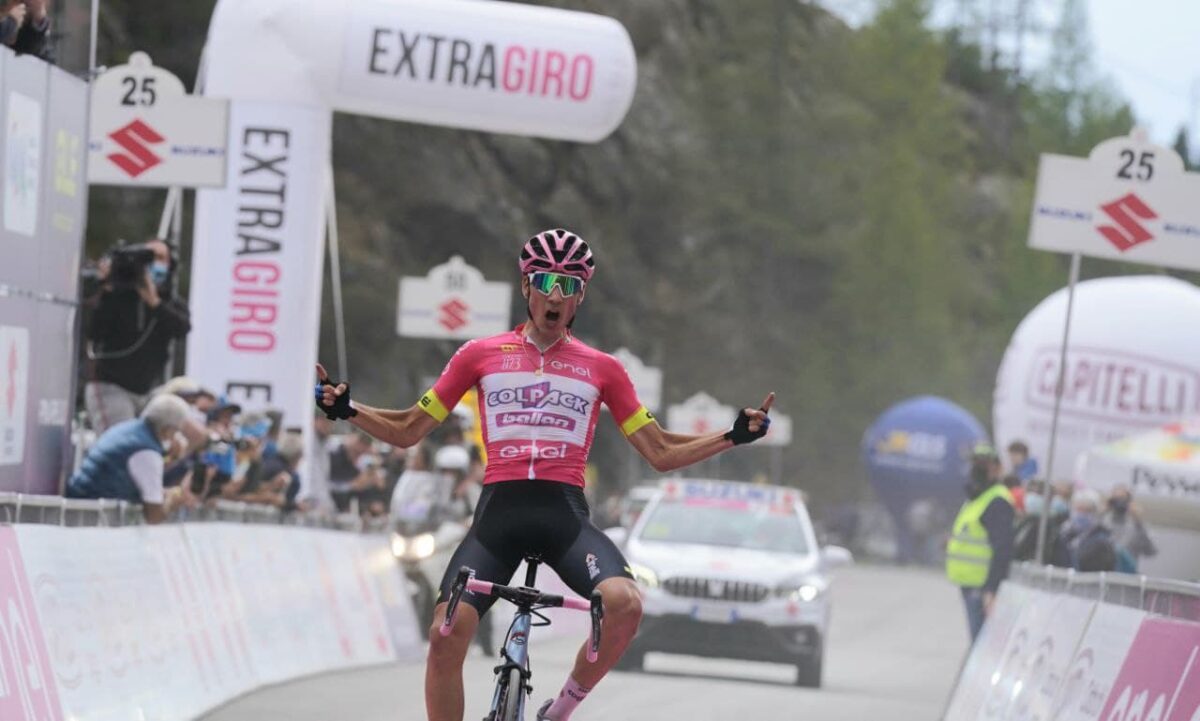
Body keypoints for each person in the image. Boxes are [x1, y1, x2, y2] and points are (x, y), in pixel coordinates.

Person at [315, 228, 773, 721]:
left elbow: (659, 451)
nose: (556, 295)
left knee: (625, 605)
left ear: (581, 296)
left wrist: (733, 436)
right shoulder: (479, 355)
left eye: (569, 285)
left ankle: (560, 710)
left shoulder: (604, 369)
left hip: (565, 519)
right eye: (546, 281)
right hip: (498, 519)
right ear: (526, 287)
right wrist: (347, 409)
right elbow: (409, 429)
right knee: (445, 634)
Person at [84, 240, 191, 434]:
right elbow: (93, 332)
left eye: (160, 258)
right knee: (121, 444)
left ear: (170, 264)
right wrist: (107, 289)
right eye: (148, 257)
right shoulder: (118, 294)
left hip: (146, 390)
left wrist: (155, 303)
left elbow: (182, 328)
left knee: (178, 435)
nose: (153, 262)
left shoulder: (170, 302)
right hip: (111, 385)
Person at [65, 393, 191, 524]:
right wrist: (174, 503)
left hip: (79, 501)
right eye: (177, 431)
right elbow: (153, 516)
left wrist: (171, 458)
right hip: (89, 517)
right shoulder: (147, 452)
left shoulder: (129, 429)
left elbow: (137, 479)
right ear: (168, 430)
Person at [945, 443, 1015, 642]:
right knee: (977, 641)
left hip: (982, 586)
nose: (976, 468)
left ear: (996, 467)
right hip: (970, 583)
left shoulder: (997, 501)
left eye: (982, 463)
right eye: (974, 462)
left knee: (982, 644)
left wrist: (991, 589)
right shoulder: (977, 497)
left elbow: (1003, 548)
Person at [1054, 488, 1117, 572]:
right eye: (1079, 509)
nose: (1081, 514)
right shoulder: (1064, 534)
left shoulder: (1101, 540)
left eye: (1087, 510)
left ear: (1095, 513)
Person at [1102, 484, 1157, 572]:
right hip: (1105, 575)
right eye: (1116, 499)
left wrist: (1138, 521)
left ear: (1129, 501)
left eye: (1123, 498)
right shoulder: (1103, 523)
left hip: (1127, 579)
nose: (1119, 502)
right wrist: (1101, 514)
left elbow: (1150, 551)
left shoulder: (1137, 526)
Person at [1013, 479, 1070, 563]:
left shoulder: (1048, 525)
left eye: (1038, 493)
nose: (1032, 497)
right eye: (1030, 492)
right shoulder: (1028, 520)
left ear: (1049, 499)